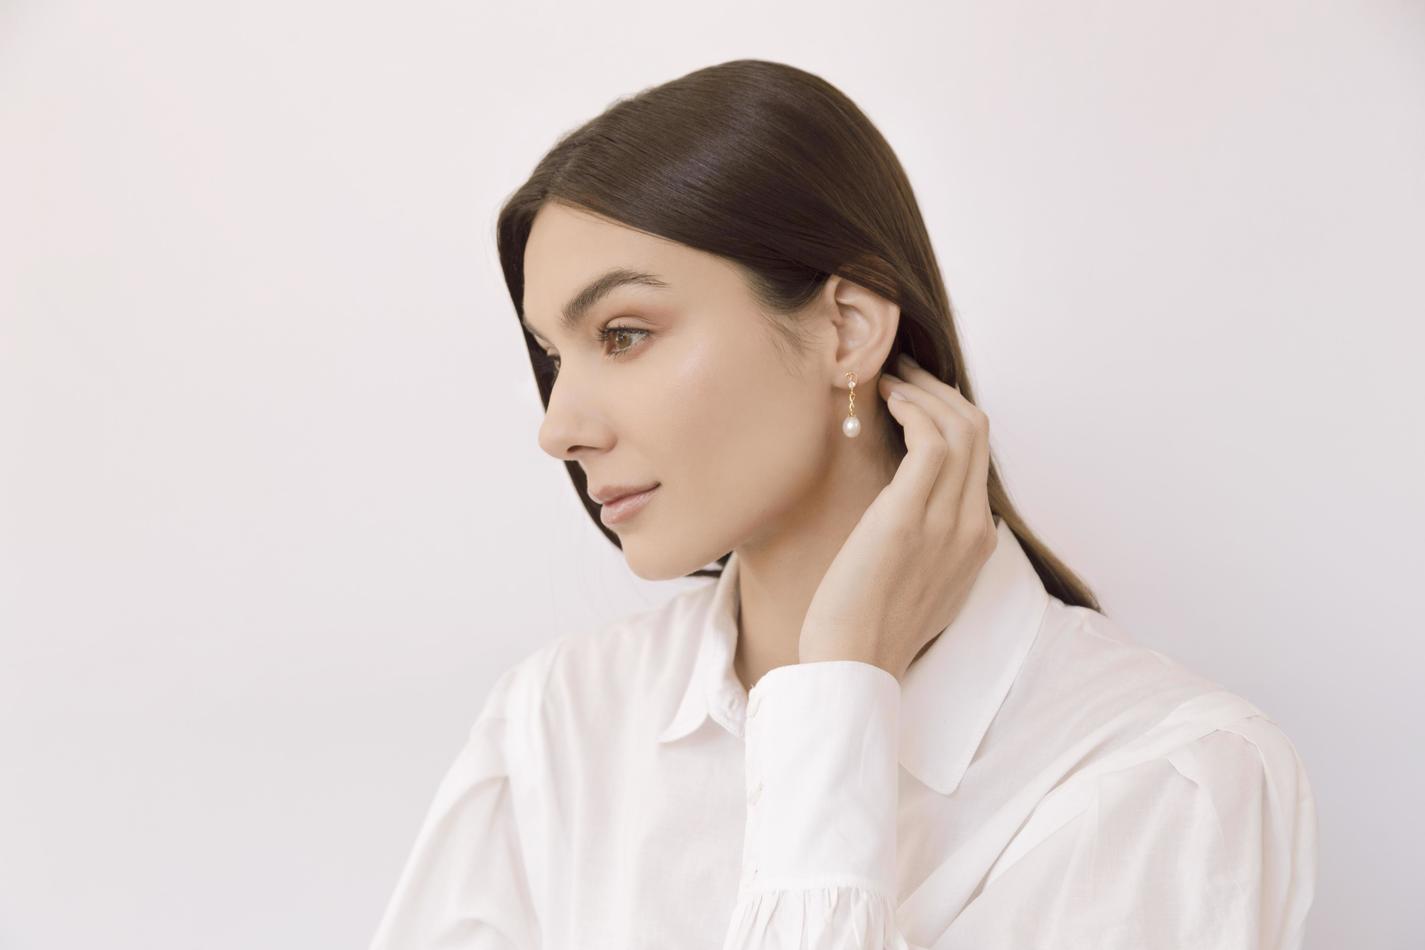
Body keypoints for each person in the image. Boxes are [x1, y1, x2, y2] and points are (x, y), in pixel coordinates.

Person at [369, 59, 1317, 949]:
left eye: (621, 334)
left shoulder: (1162, 776)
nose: (558, 428)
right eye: (552, 355)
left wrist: (836, 693)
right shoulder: (561, 719)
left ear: (847, 329)